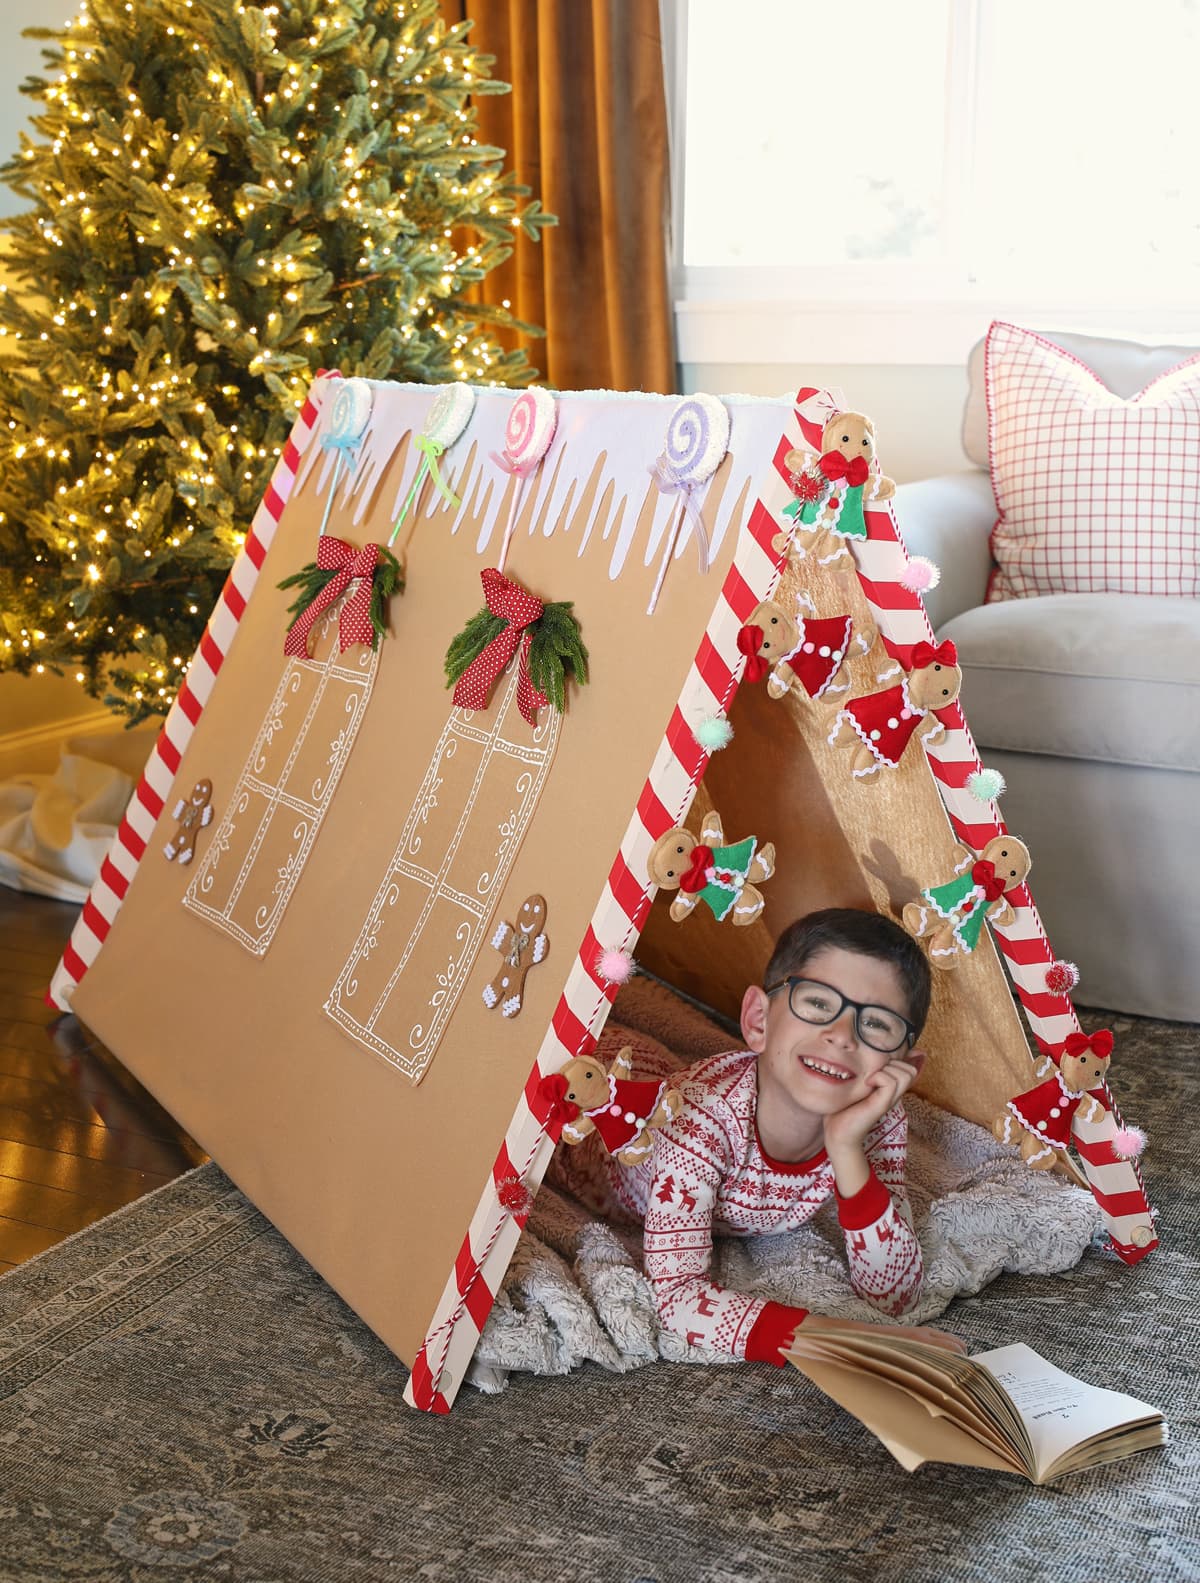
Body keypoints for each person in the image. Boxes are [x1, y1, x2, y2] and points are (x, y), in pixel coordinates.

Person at [555, 907, 967, 1363]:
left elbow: (895, 1294)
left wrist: (846, 1147)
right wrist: (842, 1342)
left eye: (876, 1024)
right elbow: (675, 1299)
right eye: (817, 1003)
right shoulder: (700, 1123)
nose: (841, 1036)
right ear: (758, 1021)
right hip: (580, 1115)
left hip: (672, 1085)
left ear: (904, 1070)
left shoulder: (878, 1120)